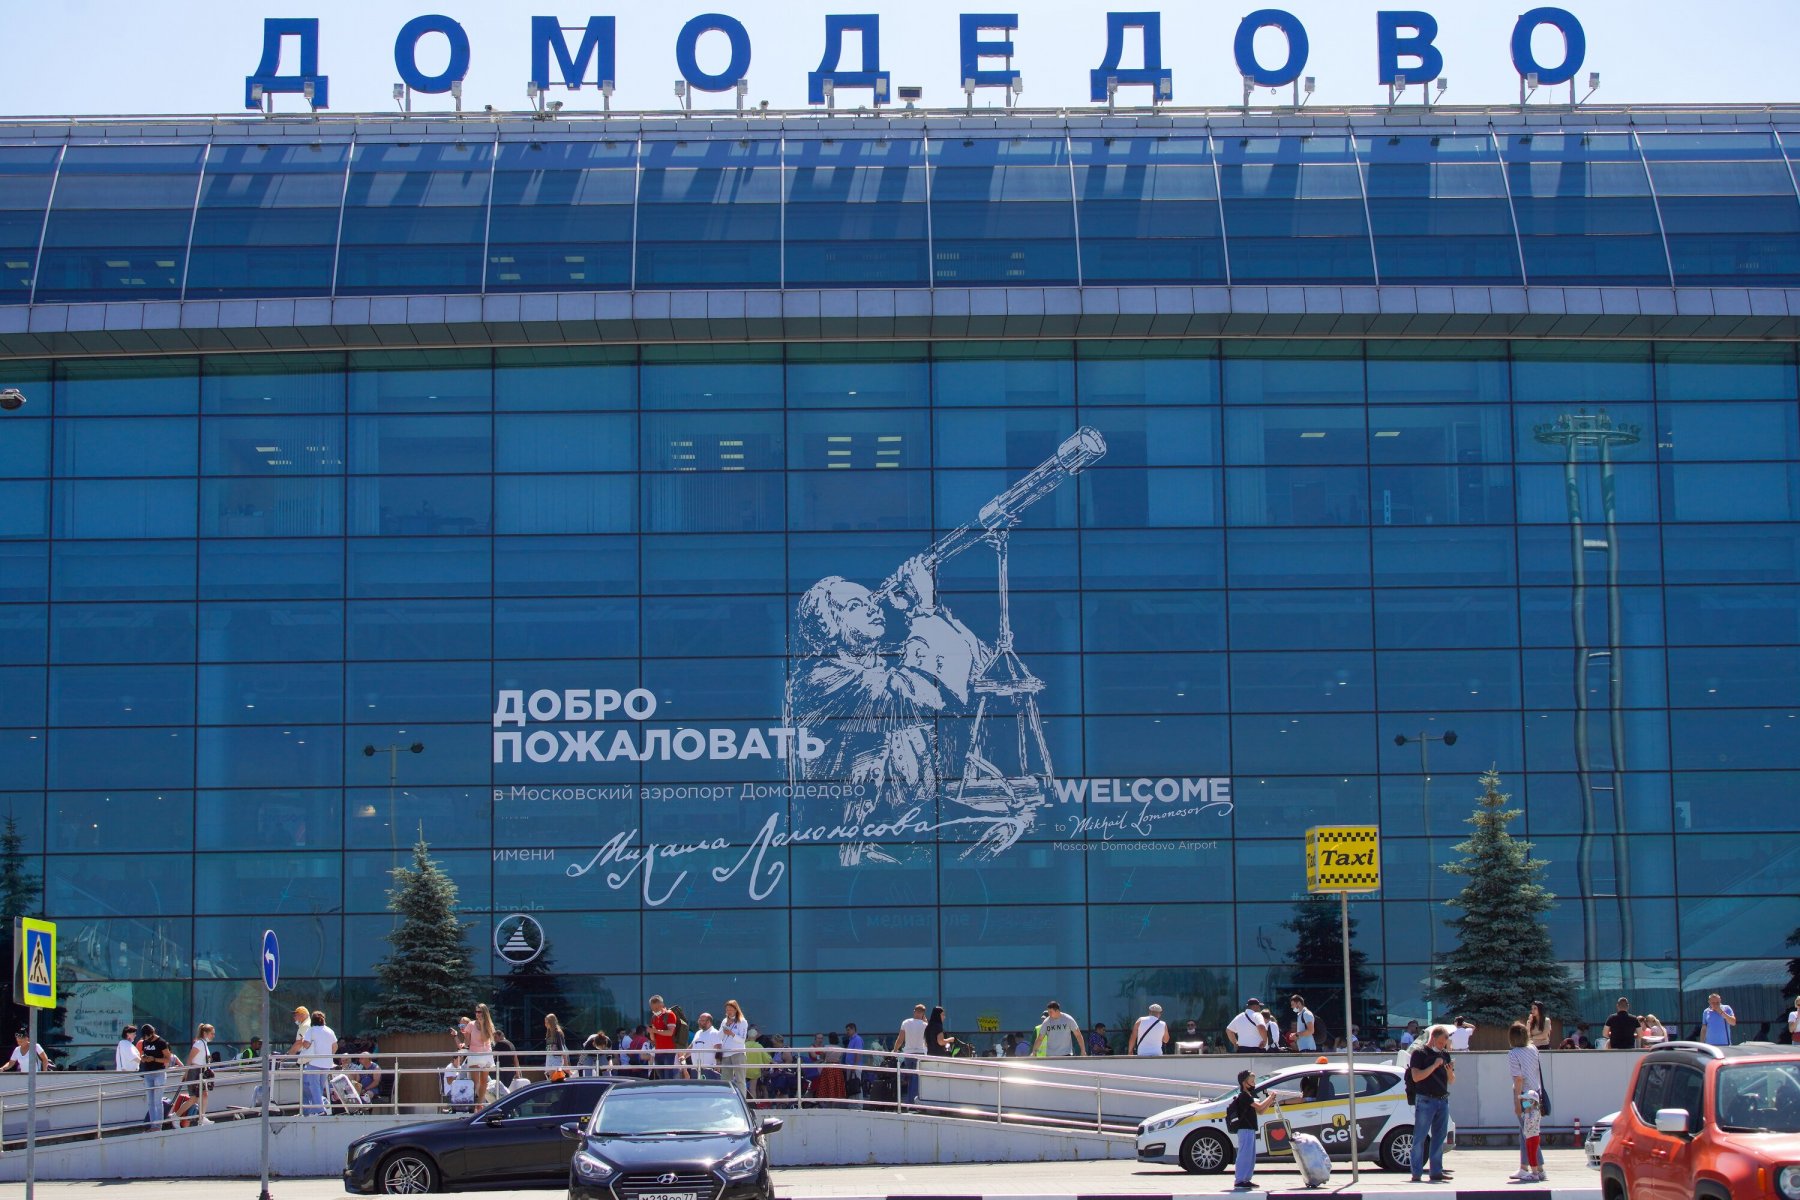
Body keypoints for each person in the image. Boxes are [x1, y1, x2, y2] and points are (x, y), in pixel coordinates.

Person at [1408, 1024, 1455, 1184]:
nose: (1442, 1046)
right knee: (1420, 1137)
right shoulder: (1419, 1053)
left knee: (1439, 1137)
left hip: (1442, 1100)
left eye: (1444, 1043)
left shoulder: (1445, 1055)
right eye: (1440, 1042)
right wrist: (1434, 1065)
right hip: (1425, 1100)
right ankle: (1416, 1173)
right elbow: (1416, 1077)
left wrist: (1449, 1072)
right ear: (1433, 1038)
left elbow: (1452, 1081)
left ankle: (1436, 1172)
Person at [1507, 1021, 1546, 1182]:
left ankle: (1539, 1168)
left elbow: (1518, 1079)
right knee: (1527, 1131)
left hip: (1524, 1097)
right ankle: (1524, 1167)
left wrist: (1517, 1102)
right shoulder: (1533, 1049)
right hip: (1536, 1094)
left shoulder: (1513, 1054)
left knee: (1529, 1133)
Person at [1226, 1069, 1277, 1190]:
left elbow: (1261, 1111)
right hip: (1244, 1128)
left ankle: (1246, 1179)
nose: (1254, 1084)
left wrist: (1270, 1100)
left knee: (1250, 1156)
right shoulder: (1244, 1095)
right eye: (1252, 1081)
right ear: (1244, 1083)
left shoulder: (1249, 1095)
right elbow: (1259, 1106)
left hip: (1250, 1128)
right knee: (1244, 1154)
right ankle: (1240, 1180)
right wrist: (1270, 1097)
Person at [295, 1009, 337, 1116]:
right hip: (327, 1063)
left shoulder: (311, 1030)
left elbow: (306, 1045)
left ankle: (320, 1110)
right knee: (320, 1088)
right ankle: (315, 1111)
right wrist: (328, 1055)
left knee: (314, 1087)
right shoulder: (330, 1031)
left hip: (314, 1063)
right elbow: (335, 1046)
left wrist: (303, 1040)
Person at [139, 1023, 172, 1129]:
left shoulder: (161, 1042)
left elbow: (168, 1059)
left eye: (147, 1036)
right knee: (150, 1101)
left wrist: (154, 1059)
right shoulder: (145, 1042)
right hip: (148, 1073)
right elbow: (143, 1052)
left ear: (152, 1033)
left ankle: (158, 1125)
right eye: (144, 1037)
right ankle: (153, 1125)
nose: (146, 1038)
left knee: (157, 1101)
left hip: (159, 1073)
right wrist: (143, 1057)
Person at [460, 1004, 496, 1102]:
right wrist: (465, 1035)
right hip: (474, 1054)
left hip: (486, 1054)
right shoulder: (471, 1024)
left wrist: (482, 1024)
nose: (477, 1014)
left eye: (479, 1012)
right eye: (476, 1012)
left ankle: (480, 1104)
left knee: (484, 1081)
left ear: (484, 1013)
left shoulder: (489, 1025)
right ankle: (480, 1104)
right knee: (476, 1082)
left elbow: (484, 1039)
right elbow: (467, 1042)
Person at [898, 1003, 929, 1106]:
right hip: (920, 1054)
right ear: (923, 1013)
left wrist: (895, 1050)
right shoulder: (925, 1025)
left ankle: (909, 1101)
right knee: (917, 1079)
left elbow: (900, 1039)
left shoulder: (906, 1022)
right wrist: (926, 1022)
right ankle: (915, 1102)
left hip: (908, 1054)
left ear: (914, 1011)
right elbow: (928, 1041)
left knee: (910, 1079)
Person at [186, 1022, 216, 1125]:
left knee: (204, 1094)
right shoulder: (199, 1043)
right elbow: (190, 1058)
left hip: (202, 1072)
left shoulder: (204, 1044)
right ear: (205, 1033)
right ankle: (176, 1116)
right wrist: (186, 1073)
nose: (213, 1036)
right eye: (212, 1033)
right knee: (194, 1098)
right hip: (195, 1071)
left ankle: (202, 1117)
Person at [720, 1000, 750, 1093]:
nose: (728, 1012)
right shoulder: (724, 1021)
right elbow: (719, 1037)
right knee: (725, 1080)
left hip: (738, 1053)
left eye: (730, 1010)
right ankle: (726, 1099)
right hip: (725, 1053)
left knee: (740, 1079)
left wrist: (732, 1034)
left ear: (736, 1010)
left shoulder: (742, 1022)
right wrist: (726, 1025)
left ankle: (742, 1099)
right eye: (727, 1010)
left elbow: (742, 1040)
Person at [648, 995, 677, 1078]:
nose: (654, 1010)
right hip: (658, 1051)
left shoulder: (670, 1015)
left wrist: (654, 1031)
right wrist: (651, 1032)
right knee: (661, 1077)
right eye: (652, 1008)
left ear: (662, 1005)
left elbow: (670, 1032)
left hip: (669, 1051)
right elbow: (653, 1038)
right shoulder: (654, 1017)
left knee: (668, 1077)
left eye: (656, 1008)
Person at [689, 1013, 724, 1080]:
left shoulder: (714, 1033)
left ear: (708, 1022)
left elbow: (719, 1049)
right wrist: (683, 1056)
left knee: (710, 1086)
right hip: (695, 1069)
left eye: (702, 1020)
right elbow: (692, 1046)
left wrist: (718, 1064)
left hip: (709, 1070)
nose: (699, 1022)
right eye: (699, 1020)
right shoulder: (698, 1033)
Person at [493, 1028, 520, 1096]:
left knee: (499, 1091)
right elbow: (515, 1059)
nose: (494, 1040)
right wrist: (517, 1073)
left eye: (495, 1037)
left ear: (501, 1036)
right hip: (511, 1071)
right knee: (504, 1090)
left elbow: (492, 1056)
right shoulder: (511, 1044)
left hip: (503, 1071)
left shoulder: (499, 1044)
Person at [843, 1022, 865, 1104]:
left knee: (857, 1085)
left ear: (853, 1029)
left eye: (848, 1030)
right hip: (850, 1067)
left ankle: (858, 1105)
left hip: (855, 1067)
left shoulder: (857, 1039)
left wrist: (854, 1066)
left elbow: (858, 1054)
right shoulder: (851, 1040)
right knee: (851, 1085)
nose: (847, 1032)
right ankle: (852, 1104)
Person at [544, 1013, 570, 1081]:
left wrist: (566, 1064)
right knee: (551, 1079)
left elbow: (562, 1048)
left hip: (556, 1059)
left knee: (553, 1079)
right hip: (549, 1058)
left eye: (547, 1022)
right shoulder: (548, 1033)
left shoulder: (558, 1033)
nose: (545, 1024)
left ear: (551, 1022)